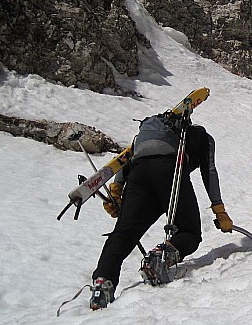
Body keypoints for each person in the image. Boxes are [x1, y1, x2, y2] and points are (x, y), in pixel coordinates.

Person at [89, 111, 233, 310]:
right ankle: (159, 258)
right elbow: (209, 172)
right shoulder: (200, 136)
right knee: (189, 232)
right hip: (170, 170)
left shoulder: (144, 138)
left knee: (124, 232)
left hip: (139, 173)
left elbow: (124, 159)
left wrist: (117, 189)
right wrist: (219, 210)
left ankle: (102, 283)